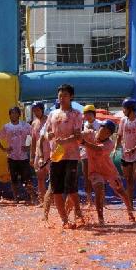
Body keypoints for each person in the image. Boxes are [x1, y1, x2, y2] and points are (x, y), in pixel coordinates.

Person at [81, 120, 136, 225]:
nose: (104, 133)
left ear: (110, 135)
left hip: (109, 171)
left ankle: (130, 211)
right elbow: (79, 135)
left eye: (107, 133)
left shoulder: (110, 144)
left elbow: (97, 149)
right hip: (95, 171)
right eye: (103, 130)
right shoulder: (90, 133)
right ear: (100, 127)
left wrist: (84, 143)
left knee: (121, 191)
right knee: (99, 191)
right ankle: (101, 219)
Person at [45, 84, 84, 228]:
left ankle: (78, 212)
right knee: (57, 190)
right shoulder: (52, 114)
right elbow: (47, 131)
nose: (62, 98)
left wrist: (67, 140)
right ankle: (64, 219)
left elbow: (78, 135)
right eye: (60, 95)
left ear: (71, 97)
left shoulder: (76, 114)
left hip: (72, 155)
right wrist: (48, 135)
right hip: (56, 156)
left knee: (71, 188)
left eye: (65, 95)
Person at [0, 106, 37, 204]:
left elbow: (33, 136)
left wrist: (28, 146)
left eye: (15, 113)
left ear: (19, 114)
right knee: (13, 179)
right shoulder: (6, 127)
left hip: (23, 157)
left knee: (27, 178)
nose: (14, 115)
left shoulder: (25, 125)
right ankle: (16, 198)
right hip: (12, 157)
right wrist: (4, 149)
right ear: (9, 115)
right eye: (12, 113)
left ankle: (33, 197)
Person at [115, 98, 136, 211]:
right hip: (126, 154)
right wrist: (115, 148)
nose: (123, 111)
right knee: (128, 180)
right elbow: (119, 135)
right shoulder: (123, 121)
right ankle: (130, 204)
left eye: (124, 108)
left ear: (129, 109)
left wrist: (134, 149)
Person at [29, 102, 50, 207]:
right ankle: (43, 201)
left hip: (50, 153)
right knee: (40, 178)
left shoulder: (49, 121)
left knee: (53, 178)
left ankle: (52, 200)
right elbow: (33, 141)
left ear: (42, 109)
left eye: (38, 110)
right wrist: (32, 156)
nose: (36, 112)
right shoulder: (34, 123)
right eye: (34, 111)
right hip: (39, 153)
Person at [80, 104, 101, 206]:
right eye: (85, 114)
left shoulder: (100, 125)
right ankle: (89, 200)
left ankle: (100, 200)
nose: (87, 116)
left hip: (96, 154)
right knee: (87, 176)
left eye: (89, 114)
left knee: (99, 176)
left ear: (93, 114)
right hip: (85, 153)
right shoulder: (83, 124)